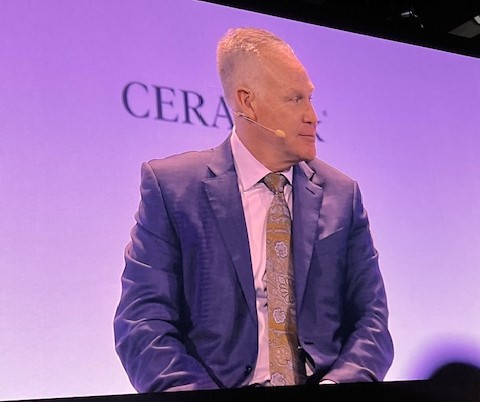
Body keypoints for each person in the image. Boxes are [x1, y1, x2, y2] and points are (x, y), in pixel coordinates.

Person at [113, 27, 394, 393]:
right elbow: (142, 324)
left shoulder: (342, 194)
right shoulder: (173, 189)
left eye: (310, 98)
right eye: (295, 99)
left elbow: (372, 321)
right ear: (247, 102)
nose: (312, 116)